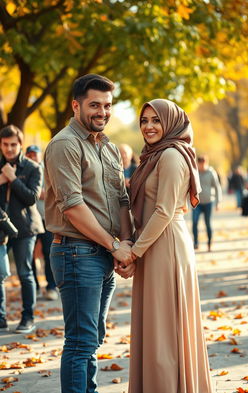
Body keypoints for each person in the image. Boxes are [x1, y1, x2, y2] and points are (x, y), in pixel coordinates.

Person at [44, 73, 134, 393]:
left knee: (93, 338)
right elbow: (72, 206)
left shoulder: (108, 148)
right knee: (81, 343)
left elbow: (121, 199)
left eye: (107, 105)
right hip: (76, 251)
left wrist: (126, 245)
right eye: (94, 105)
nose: (102, 112)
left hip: (104, 255)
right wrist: (114, 245)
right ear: (76, 105)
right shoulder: (65, 145)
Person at [126, 99, 213, 393]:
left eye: (156, 120)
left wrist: (134, 252)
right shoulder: (154, 155)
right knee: (155, 325)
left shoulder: (172, 156)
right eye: (144, 120)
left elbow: (164, 210)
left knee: (164, 329)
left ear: (171, 123)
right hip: (154, 242)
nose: (148, 126)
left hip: (166, 246)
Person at [0, 125, 44, 333]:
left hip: (25, 228)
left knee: (25, 273)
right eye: (5, 144)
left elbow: (31, 198)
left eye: (13, 145)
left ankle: (28, 318)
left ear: (20, 145)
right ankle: (1, 318)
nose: (9, 149)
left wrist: (13, 179)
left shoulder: (33, 167)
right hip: (2, 228)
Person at [25, 145, 57, 301]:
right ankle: (35, 287)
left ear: (40, 156)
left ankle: (51, 287)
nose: (32, 157)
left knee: (49, 253)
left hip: (46, 219)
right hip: (29, 221)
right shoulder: (24, 170)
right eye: (29, 155)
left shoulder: (48, 170)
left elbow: (52, 192)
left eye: (34, 155)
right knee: (29, 254)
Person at [192, 155, 222, 251]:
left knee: (208, 223)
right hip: (197, 203)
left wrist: (218, 202)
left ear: (206, 163)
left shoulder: (211, 173)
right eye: (200, 164)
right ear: (198, 163)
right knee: (195, 222)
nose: (202, 166)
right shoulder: (194, 172)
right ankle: (196, 242)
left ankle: (209, 243)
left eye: (203, 164)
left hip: (208, 202)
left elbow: (217, 187)